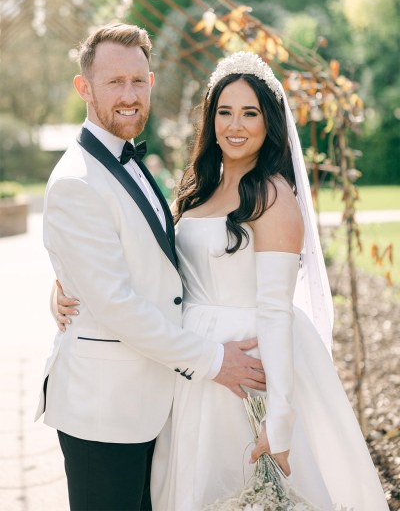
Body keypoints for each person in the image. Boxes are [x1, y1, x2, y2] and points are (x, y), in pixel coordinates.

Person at [56, 52, 389, 511]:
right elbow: (152, 258)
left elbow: (275, 308)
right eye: (224, 112)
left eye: (250, 113)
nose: (236, 125)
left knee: (247, 489)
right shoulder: (199, 186)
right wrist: (69, 281)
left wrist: (281, 416)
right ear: (211, 119)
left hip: (246, 364)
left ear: (269, 122)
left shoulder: (273, 195)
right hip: (192, 366)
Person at [35, 26, 266, 511]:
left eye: (139, 81)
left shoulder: (130, 160)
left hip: (153, 399)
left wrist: (65, 287)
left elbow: (150, 263)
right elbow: (117, 305)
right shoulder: (76, 181)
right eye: (114, 82)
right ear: (84, 88)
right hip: (105, 409)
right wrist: (215, 359)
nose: (129, 95)